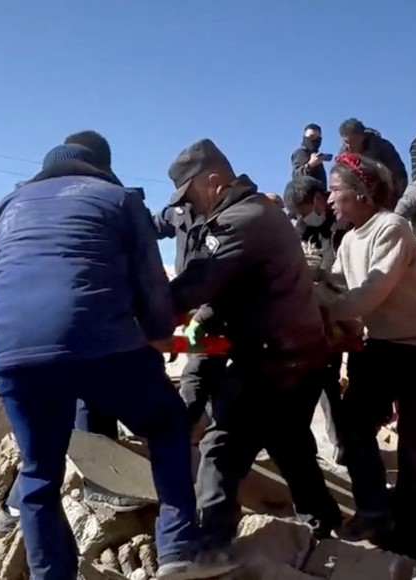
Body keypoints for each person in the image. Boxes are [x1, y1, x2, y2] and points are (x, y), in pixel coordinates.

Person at [0, 143, 227, 580]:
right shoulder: (118, 198)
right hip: (98, 340)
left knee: (39, 472)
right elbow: (151, 279)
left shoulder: (10, 204)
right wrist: (158, 333)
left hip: (11, 350)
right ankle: (178, 551)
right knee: (167, 424)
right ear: (101, 167)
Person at [166, 138, 343, 560]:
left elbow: (196, 285)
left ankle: (212, 545)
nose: (191, 206)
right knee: (288, 440)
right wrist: (203, 320)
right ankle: (323, 522)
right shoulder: (258, 213)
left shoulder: (240, 221)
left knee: (222, 445)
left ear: (213, 181)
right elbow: (240, 288)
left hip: (273, 358)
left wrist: (138, 314)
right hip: (298, 354)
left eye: (191, 195)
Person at [322, 152, 416, 562]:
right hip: (381, 344)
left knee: (414, 439)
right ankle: (374, 508)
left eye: (335, 190)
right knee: (354, 423)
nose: (329, 199)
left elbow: (368, 294)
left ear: (361, 193)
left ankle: (414, 528)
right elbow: (338, 285)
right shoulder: (349, 239)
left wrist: (323, 304)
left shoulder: (392, 228)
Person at [283, 175, 349, 465]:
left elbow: (348, 272)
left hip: (342, 314)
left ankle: (340, 443)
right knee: (315, 380)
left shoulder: (343, 224)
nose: (302, 217)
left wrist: (326, 277)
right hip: (308, 316)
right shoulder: (300, 230)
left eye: (304, 210)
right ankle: (308, 443)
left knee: (328, 382)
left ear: (319, 200)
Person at [339, 118, 408, 206]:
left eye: (350, 142)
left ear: (361, 137)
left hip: (387, 197)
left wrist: (395, 201)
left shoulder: (382, 148)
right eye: (345, 142)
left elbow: (399, 176)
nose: (348, 146)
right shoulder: (344, 154)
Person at [291, 123, 328, 189]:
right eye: (311, 136)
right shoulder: (301, 152)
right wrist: (310, 165)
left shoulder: (316, 155)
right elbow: (296, 175)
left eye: (317, 138)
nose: (314, 140)